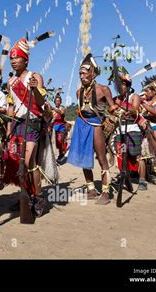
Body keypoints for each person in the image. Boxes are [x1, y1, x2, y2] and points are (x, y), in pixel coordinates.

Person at [3, 37, 47, 216]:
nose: (13, 61)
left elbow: (41, 102)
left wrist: (35, 89)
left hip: (33, 123)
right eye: (11, 59)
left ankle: (39, 198)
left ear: (26, 59)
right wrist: (8, 129)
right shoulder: (10, 81)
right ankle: (25, 196)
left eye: (17, 58)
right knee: (17, 163)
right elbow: (11, 107)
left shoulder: (35, 77)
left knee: (29, 162)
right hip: (17, 125)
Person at [67, 54, 116, 205]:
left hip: (96, 125)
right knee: (83, 159)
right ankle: (91, 189)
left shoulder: (104, 89)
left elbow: (112, 107)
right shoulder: (78, 92)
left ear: (93, 73)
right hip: (81, 125)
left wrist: (114, 113)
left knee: (102, 159)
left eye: (84, 73)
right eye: (79, 73)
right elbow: (82, 107)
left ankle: (106, 192)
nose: (81, 76)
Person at [112, 71, 147, 191]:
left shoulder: (134, 97)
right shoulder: (115, 99)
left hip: (133, 130)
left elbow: (135, 110)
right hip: (120, 131)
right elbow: (109, 108)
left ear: (128, 86)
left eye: (122, 84)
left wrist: (120, 104)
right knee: (121, 156)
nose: (119, 87)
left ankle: (142, 180)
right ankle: (124, 177)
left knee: (137, 156)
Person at [52, 95, 68, 162]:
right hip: (54, 127)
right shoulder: (52, 110)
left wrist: (53, 108)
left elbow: (61, 112)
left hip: (61, 127)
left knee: (60, 140)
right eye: (56, 101)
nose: (57, 102)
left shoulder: (63, 108)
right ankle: (58, 155)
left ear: (60, 102)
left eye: (58, 101)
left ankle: (61, 154)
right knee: (55, 143)